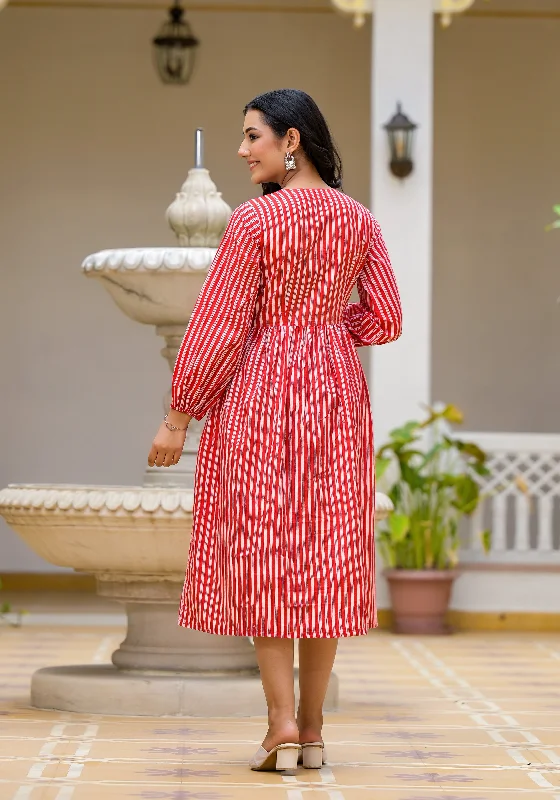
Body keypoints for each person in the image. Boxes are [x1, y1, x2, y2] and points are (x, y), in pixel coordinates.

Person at [148, 88, 402, 772]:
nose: (241, 149)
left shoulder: (254, 224)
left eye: (252, 136)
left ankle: (280, 723)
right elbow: (385, 319)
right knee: (324, 555)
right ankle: (313, 732)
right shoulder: (360, 221)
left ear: (291, 140)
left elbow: (220, 325)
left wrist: (179, 415)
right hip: (336, 395)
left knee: (263, 548)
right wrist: (326, 334)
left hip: (261, 391)